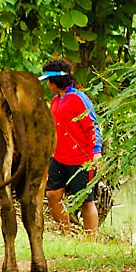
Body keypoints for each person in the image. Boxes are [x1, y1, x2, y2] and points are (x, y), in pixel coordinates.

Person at [38, 59, 103, 239]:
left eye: (48, 81)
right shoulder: (54, 102)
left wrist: (97, 152)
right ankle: (66, 234)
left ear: (55, 81)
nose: (47, 85)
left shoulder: (79, 99)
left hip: (81, 160)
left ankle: (91, 239)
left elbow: (93, 127)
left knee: (85, 201)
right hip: (59, 158)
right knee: (52, 196)